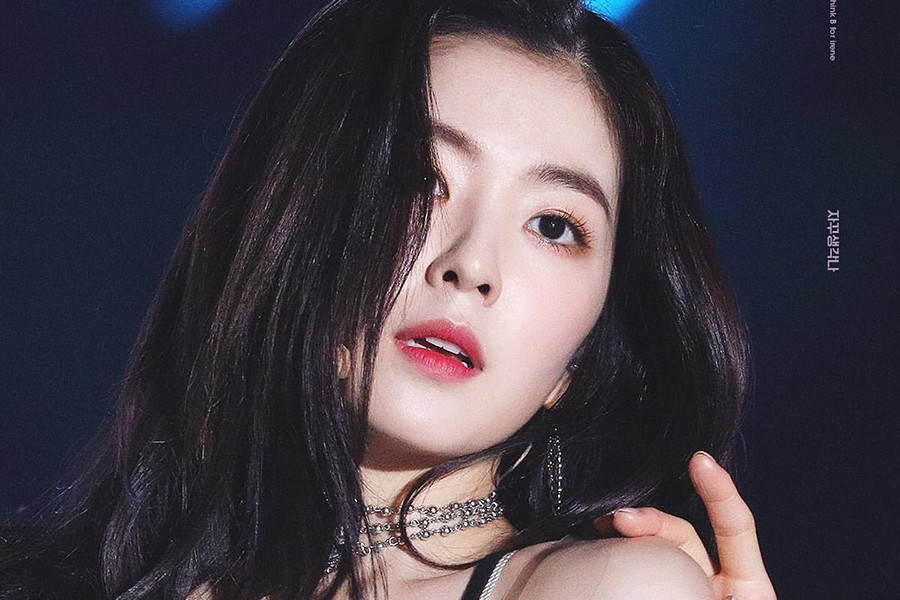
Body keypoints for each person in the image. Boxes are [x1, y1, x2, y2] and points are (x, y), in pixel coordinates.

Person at [0, 1, 776, 599]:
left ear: (583, 355)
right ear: (293, 211)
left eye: (553, 225)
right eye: (419, 178)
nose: (472, 265)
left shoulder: (611, 588)